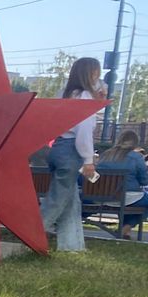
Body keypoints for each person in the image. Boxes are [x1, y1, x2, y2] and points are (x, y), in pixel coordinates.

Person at [36, 57, 105, 252]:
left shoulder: (65, 94)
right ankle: (33, 233)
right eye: (96, 73)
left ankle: (71, 244)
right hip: (71, 150)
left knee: (70, 200)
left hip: (58, 147)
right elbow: (84, 131)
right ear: (91, 74)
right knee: (57, 199)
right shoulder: (85, 97)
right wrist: (88, 159)